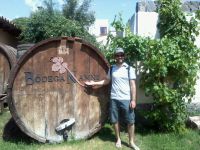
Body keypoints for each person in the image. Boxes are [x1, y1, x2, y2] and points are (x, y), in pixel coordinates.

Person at [85, 48, 140, 150]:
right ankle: (118, 139)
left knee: (130, 121)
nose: (119, 57)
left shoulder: (129, 69)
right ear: (115, 57)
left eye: (121, 55)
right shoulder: (112, 68)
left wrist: (133, 100)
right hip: (114, 98)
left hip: (126, 99)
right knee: (115, 120)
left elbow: (133, 85)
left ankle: (131, 142)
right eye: (117, 55)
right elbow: (106, 81)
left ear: (124, 56)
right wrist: (93, 83)